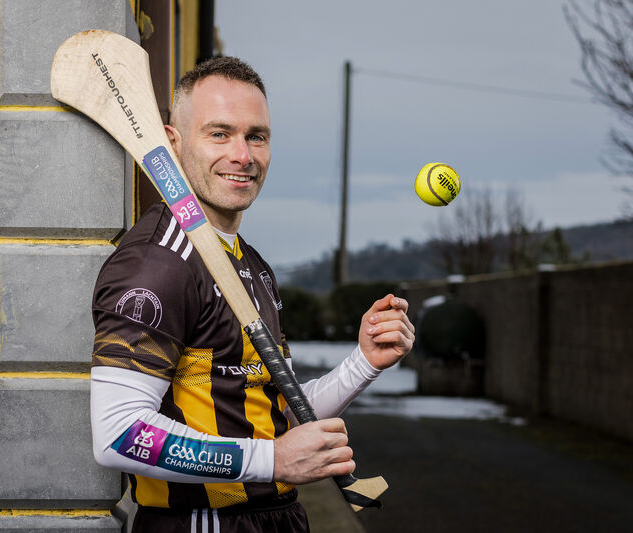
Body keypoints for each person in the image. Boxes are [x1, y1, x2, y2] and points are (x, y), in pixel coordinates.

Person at [90, 56, 415, 533]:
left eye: (256, 136)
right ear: (173, 143)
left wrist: (363, 363)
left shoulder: (252, 265)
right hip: (202, 522)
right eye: (219, 133)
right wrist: (271, 459)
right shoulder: (156, 264)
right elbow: (119, 434)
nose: (242, 155)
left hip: (275, 518)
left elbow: (266, 413)